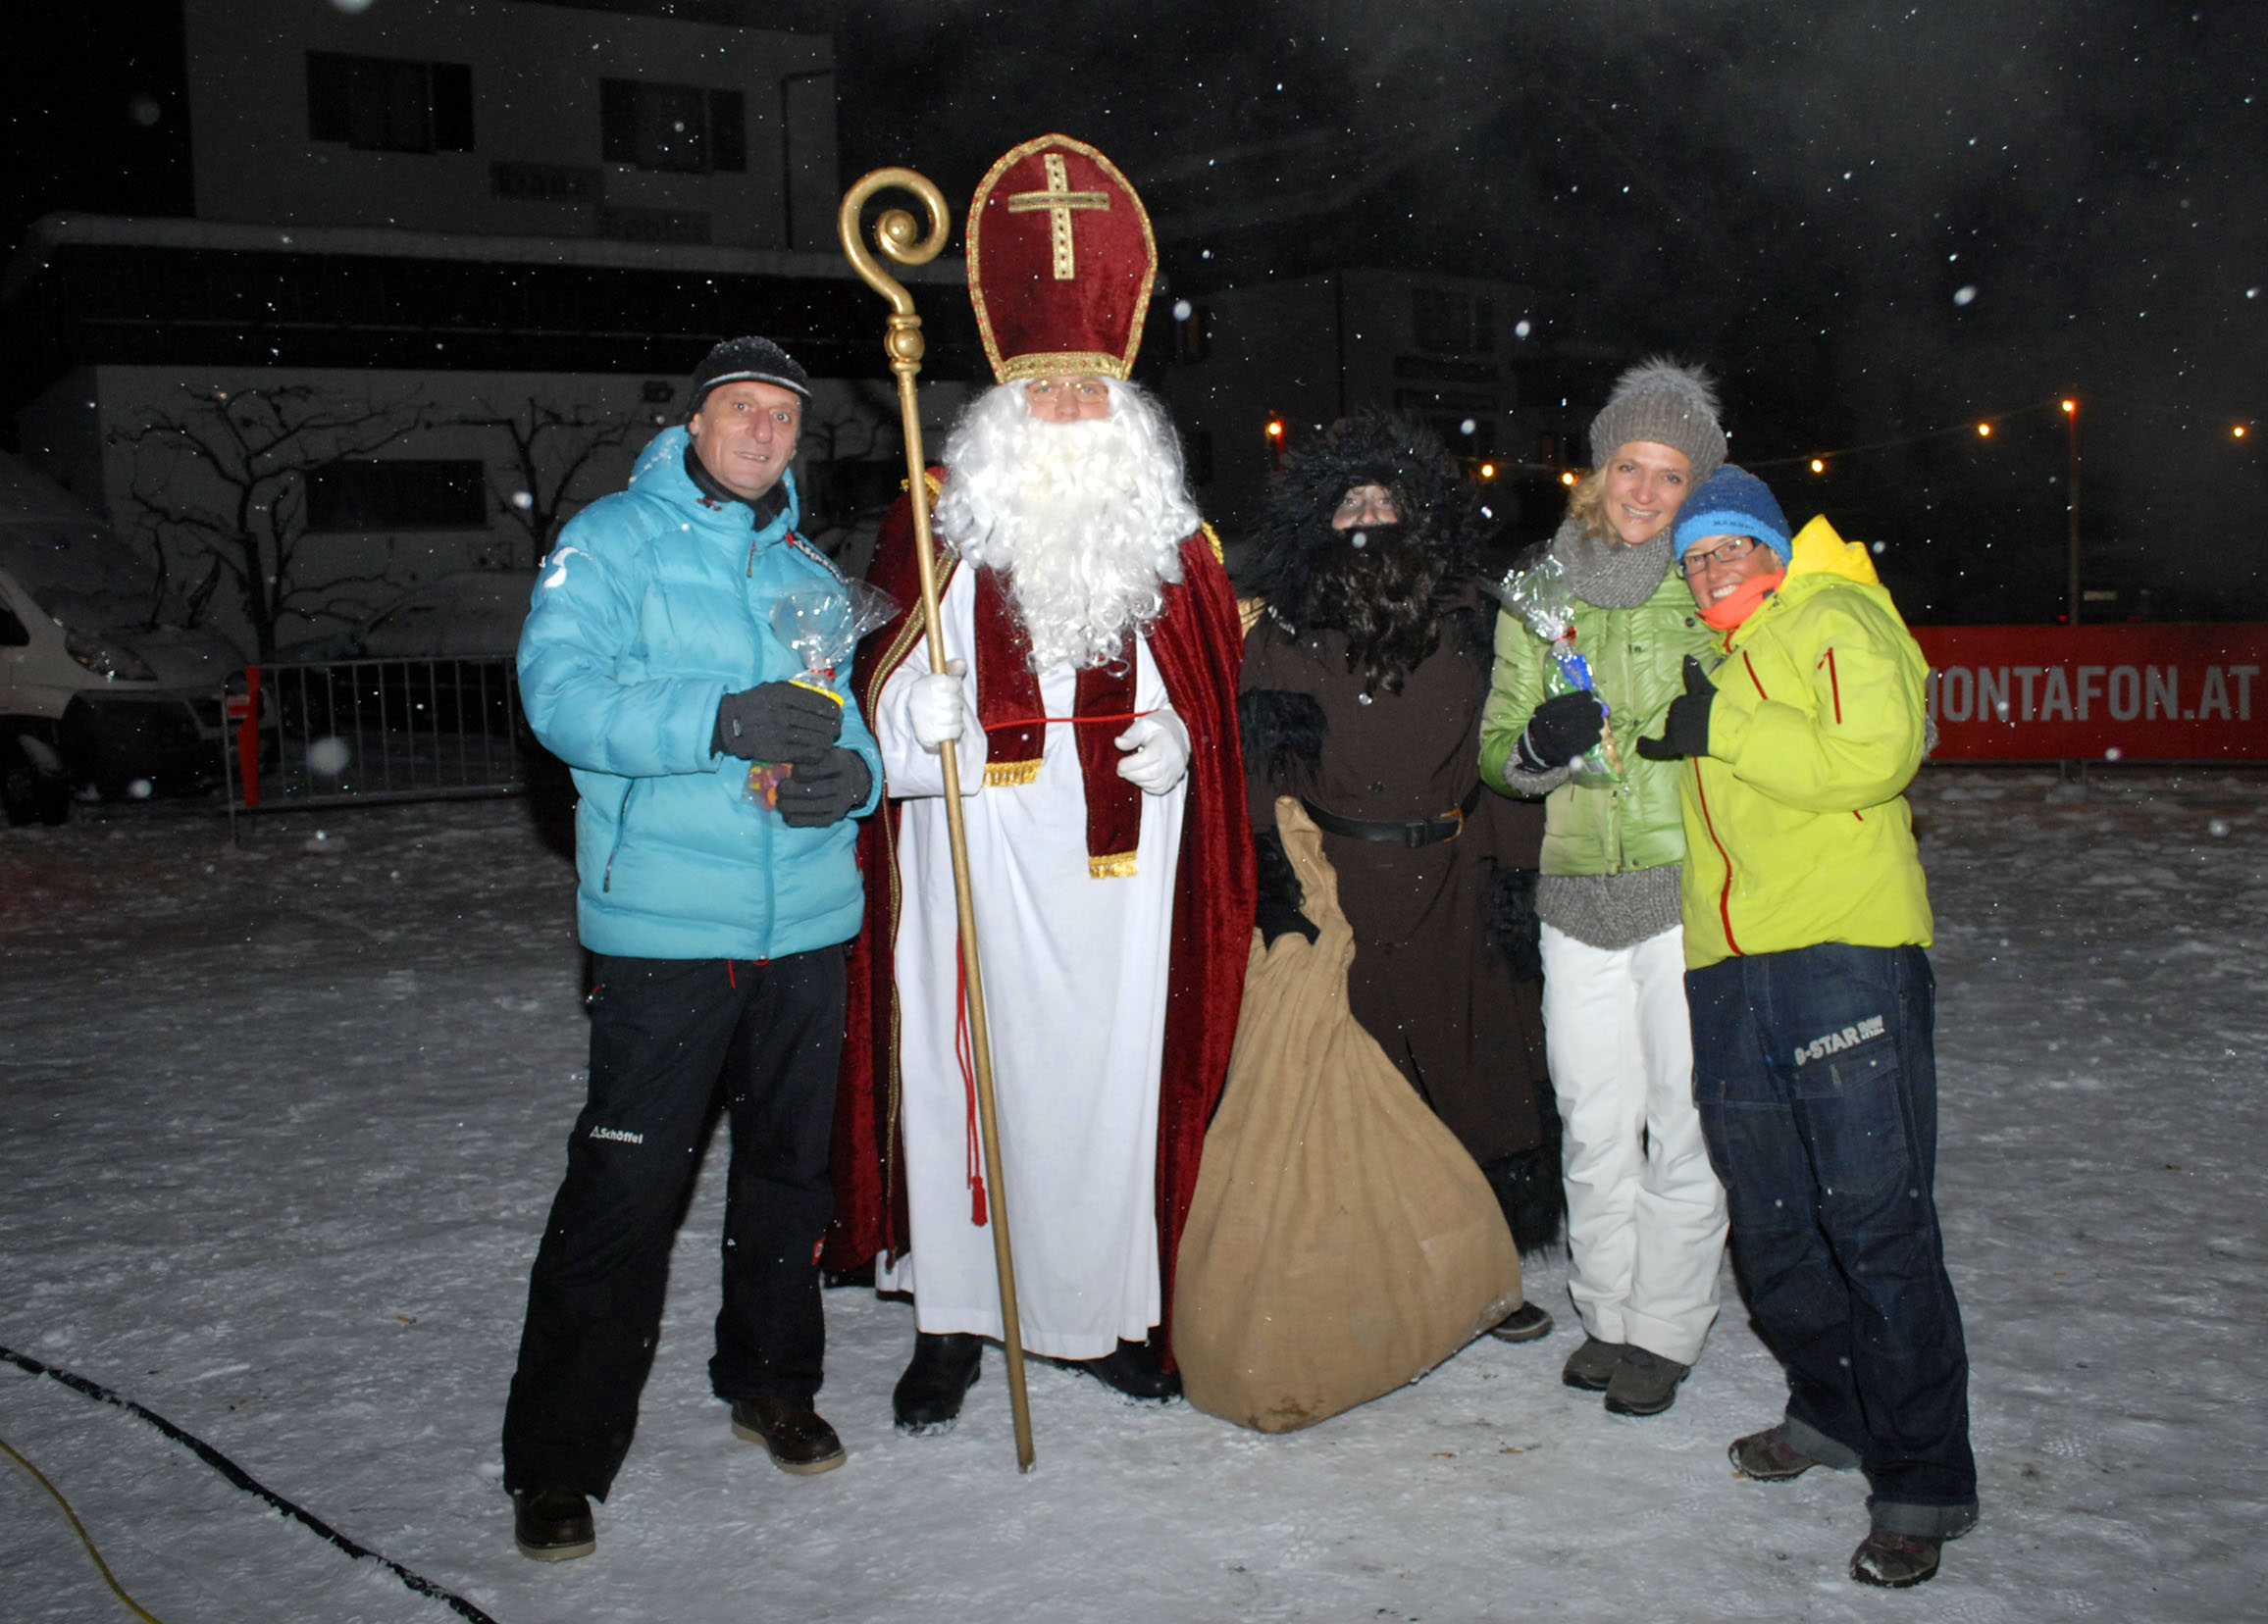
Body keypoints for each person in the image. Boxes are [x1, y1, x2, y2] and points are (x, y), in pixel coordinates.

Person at [827, 134, 1255, 1435]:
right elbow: (876, 672)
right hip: (978, 853)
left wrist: (1182, 744)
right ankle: (958, 1319)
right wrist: (909, 717)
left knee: (1108, 1095)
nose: (1068, 409)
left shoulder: (1174, 541)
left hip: (1124, 879)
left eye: (1088, 387)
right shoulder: (940, 518)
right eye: (1045, 387)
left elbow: (1210, 695)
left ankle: (1100, 1313)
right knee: (969, 1078)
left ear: (1126, 410)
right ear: (1006, 408)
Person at [499, 335, 883, 1561]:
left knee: (788, 1179)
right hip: (668, 931)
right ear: (696, 423)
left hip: (806, 928)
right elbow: (558, 697)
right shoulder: (612, 540)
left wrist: (852, 783)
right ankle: (559, 1460)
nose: (762, 430)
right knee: (623, 1194)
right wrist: (713, 718)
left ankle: (771, 1381)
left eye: (783, 414)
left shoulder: (808, 571)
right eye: (741, 408)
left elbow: (850, 728)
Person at [1636, 466, 1977, 1589]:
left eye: (1726, 547)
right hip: (1729, 967)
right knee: (1773, 1226)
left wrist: (1726, 725)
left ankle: (1920, 1479)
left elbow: (1873, 759)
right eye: (1692, 557)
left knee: (1875, 1227)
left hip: (1842, 955)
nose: (1707, 569)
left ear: (1772, 549)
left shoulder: (1836, 616)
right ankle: (1830, 1411)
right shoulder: (1717, 656)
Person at [1236, 408, 1563, 1330]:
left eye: (1386, 500)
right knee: (1363, 1085)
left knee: (1472, 1074)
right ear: (1320, 522)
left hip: (1457, 879)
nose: (1369, 518)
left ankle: (1480, 1274)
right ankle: (1373, 1268)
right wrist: (1276, 892)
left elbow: (1504, 761)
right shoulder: (1284, 635)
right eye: (1351, 504)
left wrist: (1517, 883)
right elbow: (1263, 778)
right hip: (1344, 888)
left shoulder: (1475, 620)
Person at [1476, 360, 1730, 1416]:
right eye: (1630, 465)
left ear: (1695, 488)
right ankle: (1608, 1312)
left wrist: (1721, 720)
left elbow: (1773, 699)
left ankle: (1664, 1328)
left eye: (1670, 475)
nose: (1644, 491)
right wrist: (1536, 746)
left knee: (1683, 1119)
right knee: (1590, 1119)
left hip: (1685, 888)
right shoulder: (1539, 590)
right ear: (1597, 469)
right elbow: (1496, 751)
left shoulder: (1712, 582)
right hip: (1576, 895)